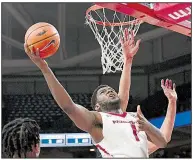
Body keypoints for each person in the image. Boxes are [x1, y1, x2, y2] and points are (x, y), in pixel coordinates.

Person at [24, 28, 177, 158]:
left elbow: (164, 139)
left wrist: (172, 101)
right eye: (103, 92)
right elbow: (68, 106)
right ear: (97, 106)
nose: (110, 90)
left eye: (111, 90)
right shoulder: (97, 121)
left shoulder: (135, 121)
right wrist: (44, 68)